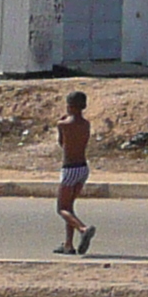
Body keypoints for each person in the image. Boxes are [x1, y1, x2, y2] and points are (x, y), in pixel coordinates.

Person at [55, 91, 95, 255]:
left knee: (62, 208)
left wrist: (62, 121)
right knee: (70, 208)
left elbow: (62, 144)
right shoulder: (86, 124)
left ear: (69, 106)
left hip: (69, 168)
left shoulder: (63, 125)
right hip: (83, 168)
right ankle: (68, 245)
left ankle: (83, 229)